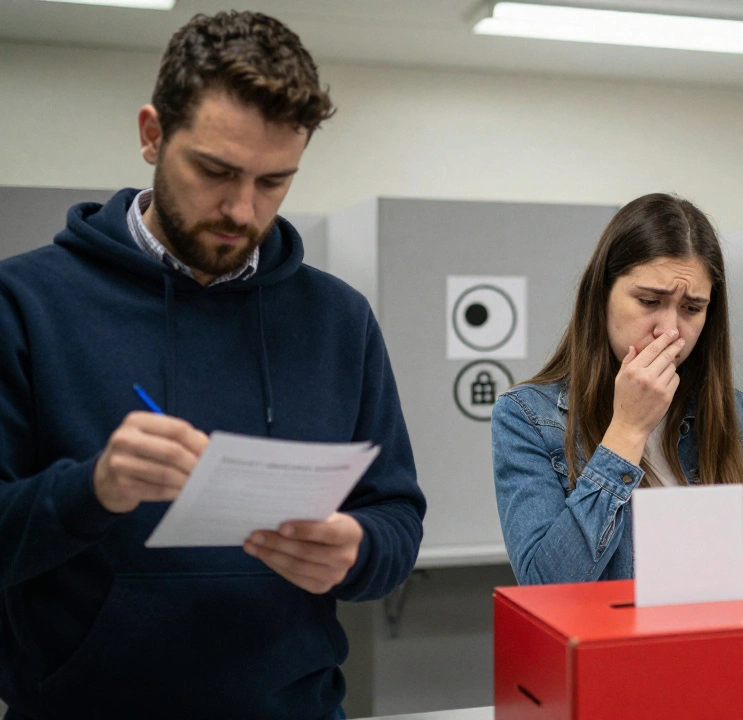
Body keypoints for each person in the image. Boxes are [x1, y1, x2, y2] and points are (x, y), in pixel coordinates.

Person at [0, 11, 425, 718]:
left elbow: (397, 519)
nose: (240, 208)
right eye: (215, 171)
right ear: (151, 135)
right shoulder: (25, 303)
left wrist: (357, 551)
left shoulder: (339, 320)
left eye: (274, 182)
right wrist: (93, 489)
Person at [491, 193, 743, 584]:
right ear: (601, 295)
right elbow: (546, 587)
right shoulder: (529, 415)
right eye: (649, 300)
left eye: (692, 309)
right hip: (605, 645)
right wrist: (627, 432)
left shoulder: (736, 416)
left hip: (713, 644)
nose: (669, 330)